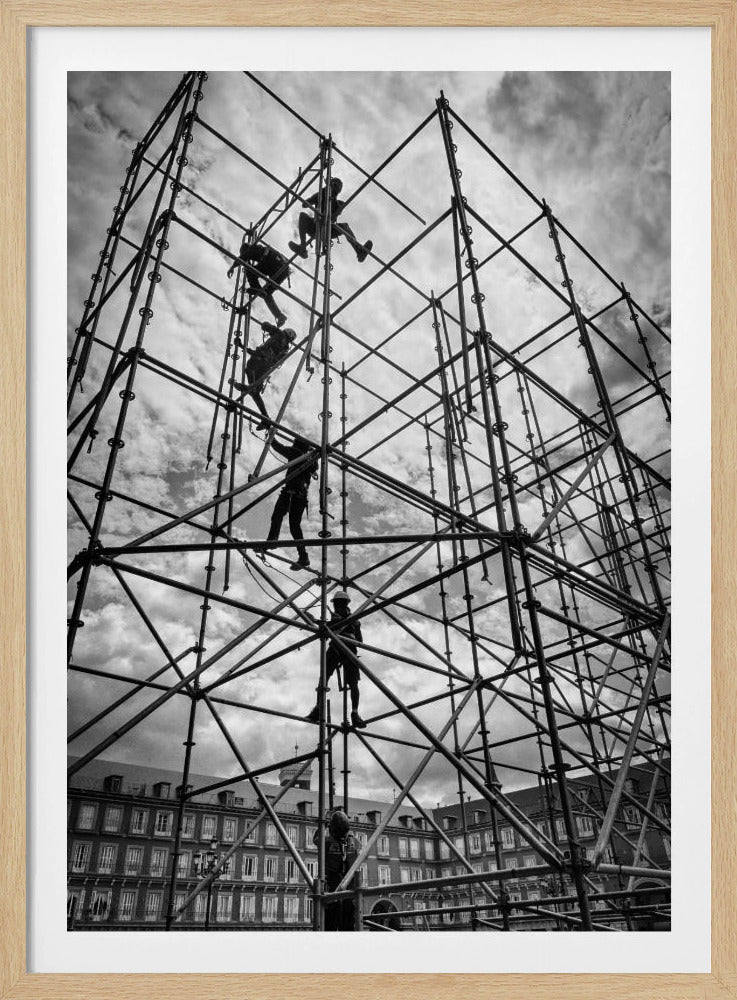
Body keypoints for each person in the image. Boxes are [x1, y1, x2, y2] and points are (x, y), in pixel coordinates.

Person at [306, 591, 366, 728]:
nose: (336, 607)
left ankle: (355, 713)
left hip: (348, 649)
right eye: (336, 604)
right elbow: (328, 629)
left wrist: (346, 625)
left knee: (353, 683)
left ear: (345, 604)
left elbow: (360, 641)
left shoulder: (353, 619)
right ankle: (318, 709)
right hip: (336, 648)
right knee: (324, 678)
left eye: (339, 604)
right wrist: (316, 621)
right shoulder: (339, 618)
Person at [289, 177, 373, 263]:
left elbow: (337, 210)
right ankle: (302, 247)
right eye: (334, 185)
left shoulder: (340, 203)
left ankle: (359, 250)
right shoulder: (321, 195)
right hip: (315, 226)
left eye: (337, 187)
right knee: (303, 216)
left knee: (344, 226)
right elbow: (304, 205)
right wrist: (320, 194)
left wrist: (330, 195)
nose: (335, 188)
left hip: (329, 230)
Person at [230, 322, 296, 431]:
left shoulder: (279, 334)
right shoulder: (285, 350)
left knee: (250, 374)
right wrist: (242, 346)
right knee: (254, 393)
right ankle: (265, 418)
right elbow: (265, 356)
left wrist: (273, 328)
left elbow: (265, 325)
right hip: (264, 368)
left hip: (257, 362)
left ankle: (240, 386)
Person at [267, 435, 319, 571]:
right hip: (300, 495)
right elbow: (315, 467)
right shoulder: (311, 459)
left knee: (277, 516)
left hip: (292, 492)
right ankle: (303, 556)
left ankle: (272, 541)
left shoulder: (297, 453)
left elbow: (279, 447)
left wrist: (270, 434)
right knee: (294, 526)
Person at [228, 233, 290, 327]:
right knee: (266, 293)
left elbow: (244, 258)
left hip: (272, 265)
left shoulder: (253, 249)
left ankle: (256, 288)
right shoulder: (263, 250)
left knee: (249, 271)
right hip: (282, 272)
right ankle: (279, 316)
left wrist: (232, 267)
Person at [312, 809, 359, 931]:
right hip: (349, 889)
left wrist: (325, 824)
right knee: (348, 925)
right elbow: (358, 851)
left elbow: (316, 838)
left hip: (332, 890)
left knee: (330, 925)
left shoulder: (326, 842)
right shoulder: (354, 842)